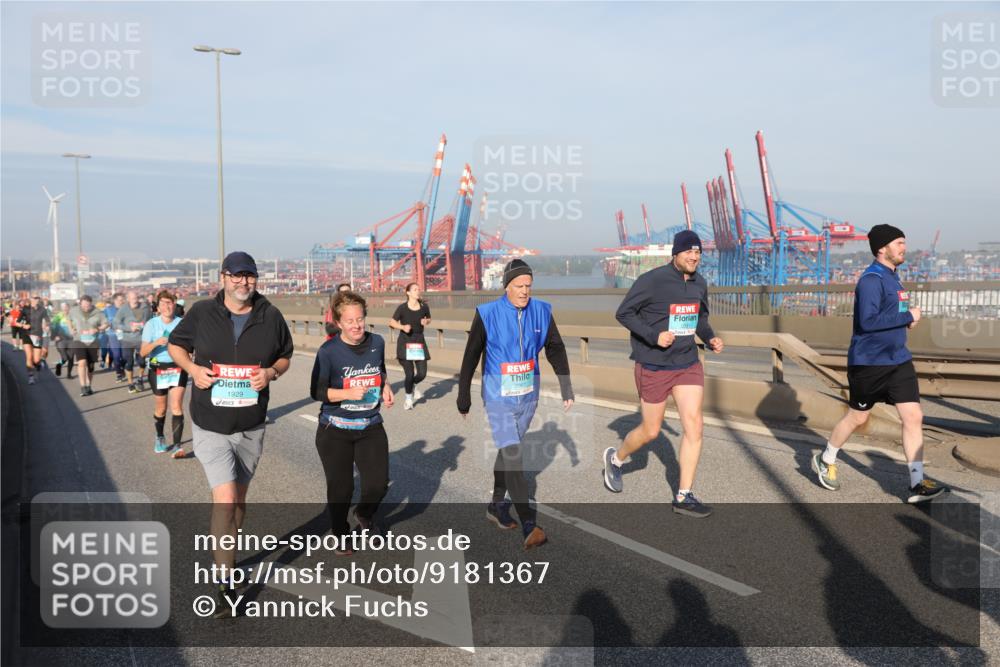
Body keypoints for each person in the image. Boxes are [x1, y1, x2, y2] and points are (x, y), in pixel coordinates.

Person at [167, 251, 293, 617]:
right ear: (223, 277)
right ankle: (226, 580)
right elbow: (176, 344)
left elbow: (285, 355)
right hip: (210, 424)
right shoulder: (203, 313)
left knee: (238, 502)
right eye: (236, 275)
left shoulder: (270, 315)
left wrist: (270, 373)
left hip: (251, 426)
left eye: (249, 276)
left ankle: (229, 551)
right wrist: (192, 368)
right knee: (224, 501)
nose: (243, 282)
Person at [811, 224, 948, 503]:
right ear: (881, 248)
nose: (903, 248)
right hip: (869, 363)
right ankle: (826, 458)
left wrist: (904, 321)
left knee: (913, 417)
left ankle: (916, 483)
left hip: (898, 360)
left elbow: (891, 315)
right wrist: (907, 316)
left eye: (903, 242)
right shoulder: (871, 279)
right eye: (899, 243)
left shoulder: (894, 277)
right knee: (858, 417)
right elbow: (868, 321)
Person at [604, 230, 724, 518]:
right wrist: (653, 336)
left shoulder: (700, 284)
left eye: (698, 253)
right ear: (676, 253)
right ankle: (616, 459)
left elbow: (700, 319)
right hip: (654, 364)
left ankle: (684, 495)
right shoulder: (653, 280)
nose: (694, 257)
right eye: (689, 252)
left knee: (694, 425)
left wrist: (709, 339)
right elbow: (624, 313)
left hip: (687, 363)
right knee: (651, 431)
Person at [457, 259, 573, 550]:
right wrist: (464, 395)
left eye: (528, 286)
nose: (524, 291)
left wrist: (566, 387)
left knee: (507, 452)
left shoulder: (542, 311)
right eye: (519, 286)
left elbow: (556, 348)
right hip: (497, 395)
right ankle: (529, 524)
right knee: (513, 455)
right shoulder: (488, 313)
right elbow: (471, 354)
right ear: (506, 286)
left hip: (527, 396)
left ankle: (496, 505)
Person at [310, 290, 394, 556]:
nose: (357, 325)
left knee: (378, 484)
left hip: (370, 425)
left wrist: (386, 387)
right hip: (334, 430)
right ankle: (340, 532)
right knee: (341, 487)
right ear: (338, 322)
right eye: (350, 321)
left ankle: (364, 513)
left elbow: (379, 370)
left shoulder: (377, 342)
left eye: (360, 319)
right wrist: (346, 393)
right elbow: (317, 391)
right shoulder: (329, 351)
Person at [141, 291, 188, 456]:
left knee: (176, 406)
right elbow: (142, 352)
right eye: (163, 304)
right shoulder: (151, 324)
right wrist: (156, 342)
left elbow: (191, 345)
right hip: (157, 367)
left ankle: (177, 445)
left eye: (170, 303)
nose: (167, 307)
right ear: (158, 307)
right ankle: (160, 437)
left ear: (174, 305)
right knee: (161, 409)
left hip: (177, 366)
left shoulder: (182, 323)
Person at [389, 282, 432, 410]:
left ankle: (412, 385)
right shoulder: (402, 308)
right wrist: (402, 327)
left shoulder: (424, 306)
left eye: (419, 289)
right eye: (415, 289)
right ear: (408, 293)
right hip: (405, 342)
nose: (418, 291)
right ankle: (408, 399)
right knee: (409, 374)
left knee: (422, 373)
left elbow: (429, 318)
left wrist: (426, 321)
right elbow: (391, 322)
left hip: (419, 341)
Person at [67, 295, 110, 396]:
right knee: (82, 362)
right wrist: (70, 328)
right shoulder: (74, 311)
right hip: (78, 340)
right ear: (80, 304)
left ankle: (88, 385)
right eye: (84, 306)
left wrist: (97, 329)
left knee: (90, 365)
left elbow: (106, 324)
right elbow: (68, 319)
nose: (86, 308)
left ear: (91, 304)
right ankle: (83, 386)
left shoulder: (98, 312)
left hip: (92, 341)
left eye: (88, 306)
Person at [114, 291, 152, 393]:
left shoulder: (145, 308)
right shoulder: (123, 309)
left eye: (136, 297)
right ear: (128, 299)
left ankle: (139, 379)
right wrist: (129, 328)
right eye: (133, 297)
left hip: (141, 340)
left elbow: (151, 321)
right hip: (127, 340)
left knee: (142, 362)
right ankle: (130, 384)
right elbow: (115, 324)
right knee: (129, 363)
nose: (135, 299)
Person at [25, 295, 51, 383]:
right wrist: (23, 325)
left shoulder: (42, 309)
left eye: (37, 298)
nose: (36, 299)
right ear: (30, 299)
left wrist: (46, 325)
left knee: (36, 359)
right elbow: (19, 320)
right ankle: (31, 377)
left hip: (37, 335)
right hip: (27, 334)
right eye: (34, 298)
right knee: (29, 356)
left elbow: (47, 319)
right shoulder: (26, 309)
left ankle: (39, 364)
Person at [104, 293, 126, 381]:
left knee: (125, 356)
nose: (121, 301)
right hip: (113, 335)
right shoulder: (108, 310)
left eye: (122, 300)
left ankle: (123, 368)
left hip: (125, 336)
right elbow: (102, 320)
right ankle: (118, 372)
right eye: (119, 300)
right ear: (114, 300)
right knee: (116, 355)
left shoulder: (127, 309)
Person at [51, 302, 75, 379]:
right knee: (65, 358)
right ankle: (59, 365)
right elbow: (53, 327)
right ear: (61, 309)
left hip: (71, 339)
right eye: (63, 308)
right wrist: (54, 336)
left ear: (68, 308)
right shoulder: (58, 316)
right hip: (61, 340)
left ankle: (69, 374)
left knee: (71, 358)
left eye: (66, 308)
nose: (65, 310)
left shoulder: (73, 316)